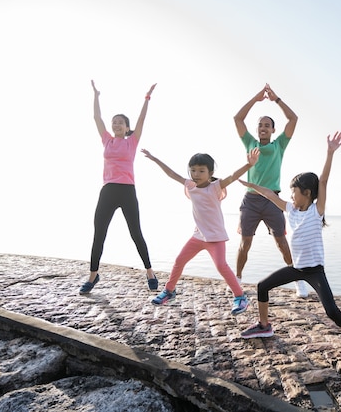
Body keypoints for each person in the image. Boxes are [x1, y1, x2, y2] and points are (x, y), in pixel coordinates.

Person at [239, 132, 341, 366]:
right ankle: (264, 326)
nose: (291, 194)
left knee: (331, 311)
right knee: (262, 286)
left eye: (294, 191)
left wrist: (330, 153)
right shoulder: (290, 209)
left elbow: (322, 181)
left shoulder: (316, 211)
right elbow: (270, 194)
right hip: (296, 269)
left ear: (307, 194)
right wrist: (251, 185)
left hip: (314, 271)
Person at [141, 147, 260, 315]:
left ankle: (240, 297)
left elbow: (233, 176)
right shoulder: (190, 186)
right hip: (198, 236)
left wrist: (249, 165)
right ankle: (169, 291)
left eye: (201, 171)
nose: (196, 174)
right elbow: (171, 174)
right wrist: (155, 159)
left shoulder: (215, 187)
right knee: (179, 261)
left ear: (210, 172)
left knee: (221, 266)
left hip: (216, 238)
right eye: (193, 170)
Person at [80, 80, 158, 295]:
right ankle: (93, 276)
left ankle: (150, 272)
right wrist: (96, 96)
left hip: (127, 191)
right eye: (114, 122)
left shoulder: (131, 141)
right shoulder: (106, 140)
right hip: (107, 191)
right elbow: (97, 118)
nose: (115, 125)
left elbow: (142, 119)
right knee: (99, 234)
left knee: (136, 233)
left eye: (120, 123)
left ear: (126, 127)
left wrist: (147, 98)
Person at [234, 84, 308, 298]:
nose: (263, 128)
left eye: (267, 125)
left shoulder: (279, 145)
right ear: (257, 129)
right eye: (260, 125)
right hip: (251, 200)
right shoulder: (249, 143)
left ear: (273, 130)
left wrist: (277, 100)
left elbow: (293, 120)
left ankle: (298, 281)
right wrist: (255, 99)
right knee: (245, 243)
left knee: (281, 242)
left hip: (273, 200)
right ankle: (237, 280)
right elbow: (237, 119)